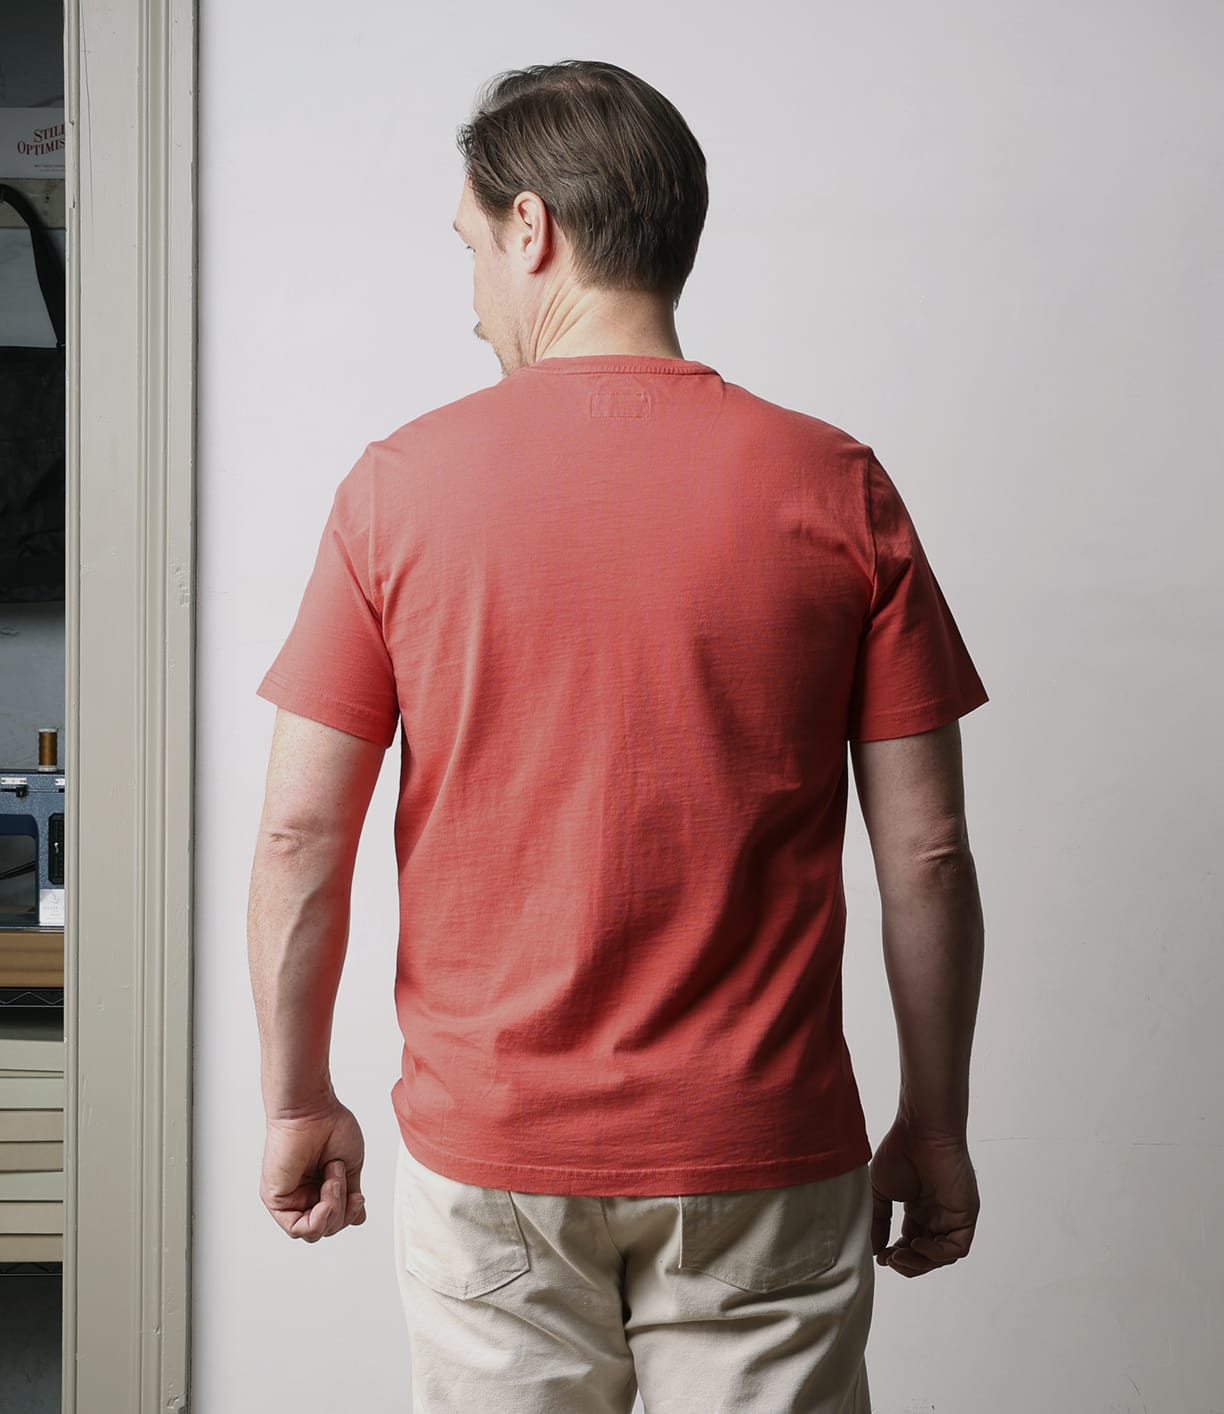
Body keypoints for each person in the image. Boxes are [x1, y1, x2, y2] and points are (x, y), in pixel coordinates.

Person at [247, 57, 989, 1414]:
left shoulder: (397, 491)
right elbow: (927, 850)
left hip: (496, 1152)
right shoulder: (835, 484)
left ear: (534, 229)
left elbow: (302, 829)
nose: (472, 303)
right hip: (764, 1146)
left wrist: (298, 1095)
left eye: (472, 249)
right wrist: (933, 1121)